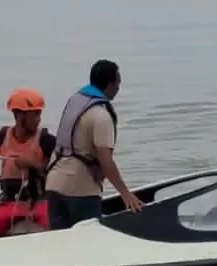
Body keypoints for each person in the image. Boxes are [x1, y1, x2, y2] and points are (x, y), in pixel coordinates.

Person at [43, 59, 143, 229]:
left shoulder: (76, 101)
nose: (119, 88)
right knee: (88, 246)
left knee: (60, 246)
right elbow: (105, 160)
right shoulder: (101, 116)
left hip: (54, 184)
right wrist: (125, 194)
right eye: (118, 83)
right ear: (111, 84)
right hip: (80, 190)